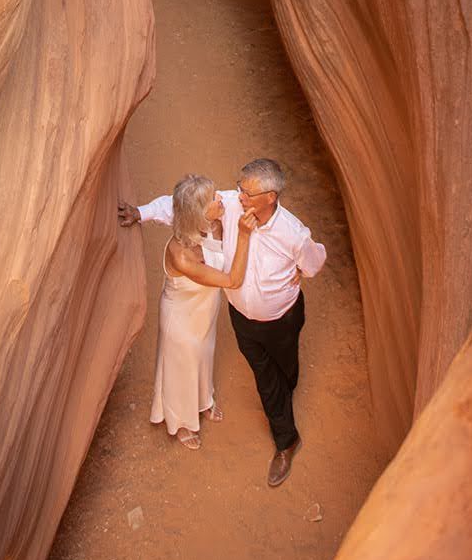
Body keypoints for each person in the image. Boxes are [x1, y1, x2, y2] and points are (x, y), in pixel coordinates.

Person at [120, 157, 326, 486]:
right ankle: (286, 441)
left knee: (286, 369)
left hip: (282, 317)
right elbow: (181, 208)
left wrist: (299, 271)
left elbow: (314, 262)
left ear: (270, 197)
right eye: (240, 188)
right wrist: (141, 213)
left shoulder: (293, 233)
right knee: (266, 378)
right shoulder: (229, 206)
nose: (237, 195)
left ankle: (282, 392)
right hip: (240, 319)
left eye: (247, 192)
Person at [150, 174, 258, 450]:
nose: (220, 198)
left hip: (205, 313)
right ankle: (182, 421)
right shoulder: (182, 255)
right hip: (181, 320)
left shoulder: (211, 225)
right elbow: (232, 280)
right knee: (182, 367)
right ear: (198, 214)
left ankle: (203, 400)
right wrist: (244, 236)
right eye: (213, 198)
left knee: (204, 357)